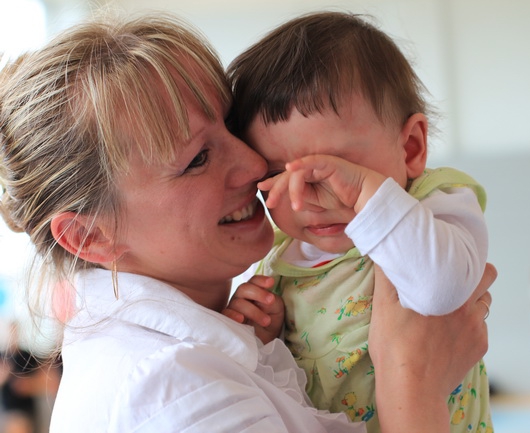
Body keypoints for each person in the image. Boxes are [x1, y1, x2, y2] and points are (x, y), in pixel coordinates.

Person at [0, 11, 495, 433]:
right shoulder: (171, 394)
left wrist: (270, 341)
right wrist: (414, 384)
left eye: (231, 127)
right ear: (90, 236)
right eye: (198, 158)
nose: (257, 167)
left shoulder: (231, 329)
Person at [225, 11, 492, 433]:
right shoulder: (279, 259)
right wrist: (262, 338)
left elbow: (440, 293)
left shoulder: (433, 204)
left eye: (337, 170)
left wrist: (367, 196)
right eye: (277, 176)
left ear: (410, 148)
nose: (307, 199)